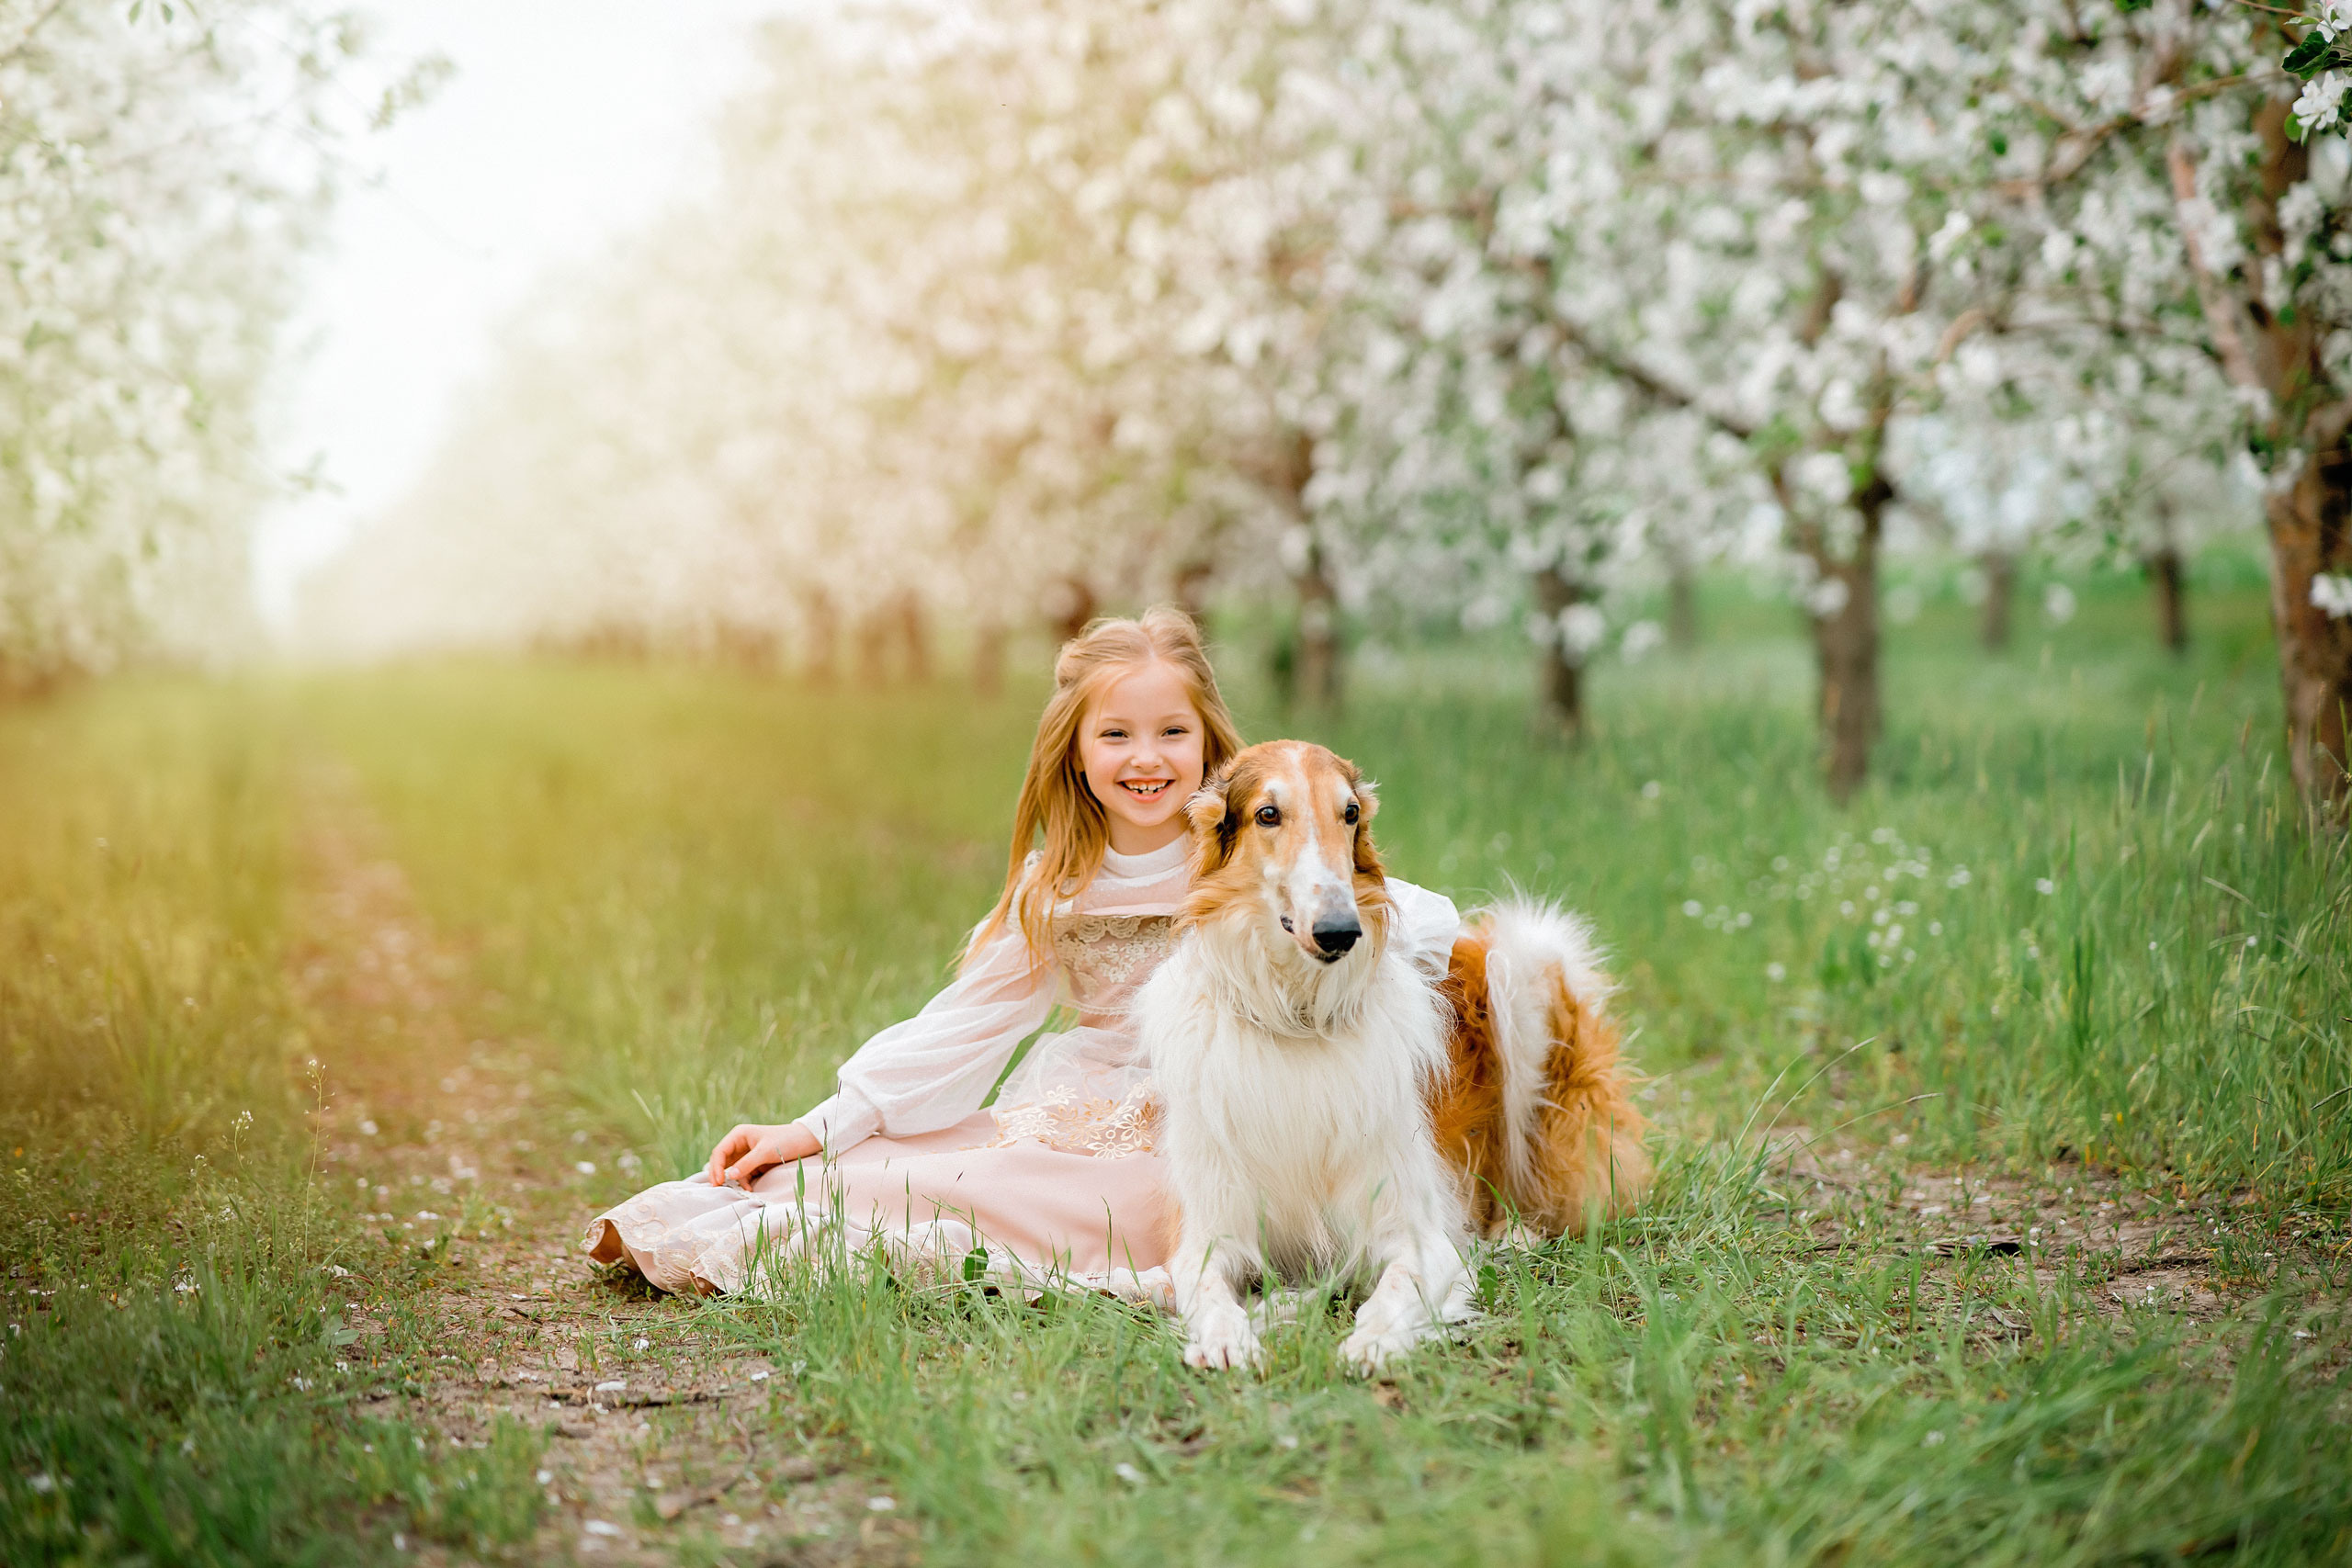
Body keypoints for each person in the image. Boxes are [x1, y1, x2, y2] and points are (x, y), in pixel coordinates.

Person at [583, 607, 1459, 1302]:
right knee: (920, 1179)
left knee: (1124, 1210)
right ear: (1076, 752)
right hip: (1090, 1102)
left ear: (1209, 742)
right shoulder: (1059, 883)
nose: (1146, 758)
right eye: (1115, 734)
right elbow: (968, 1024)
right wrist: (818, 1127)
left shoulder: (1250, 852)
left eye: (1172, 733)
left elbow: (1402, 918)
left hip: (1219, 1109)